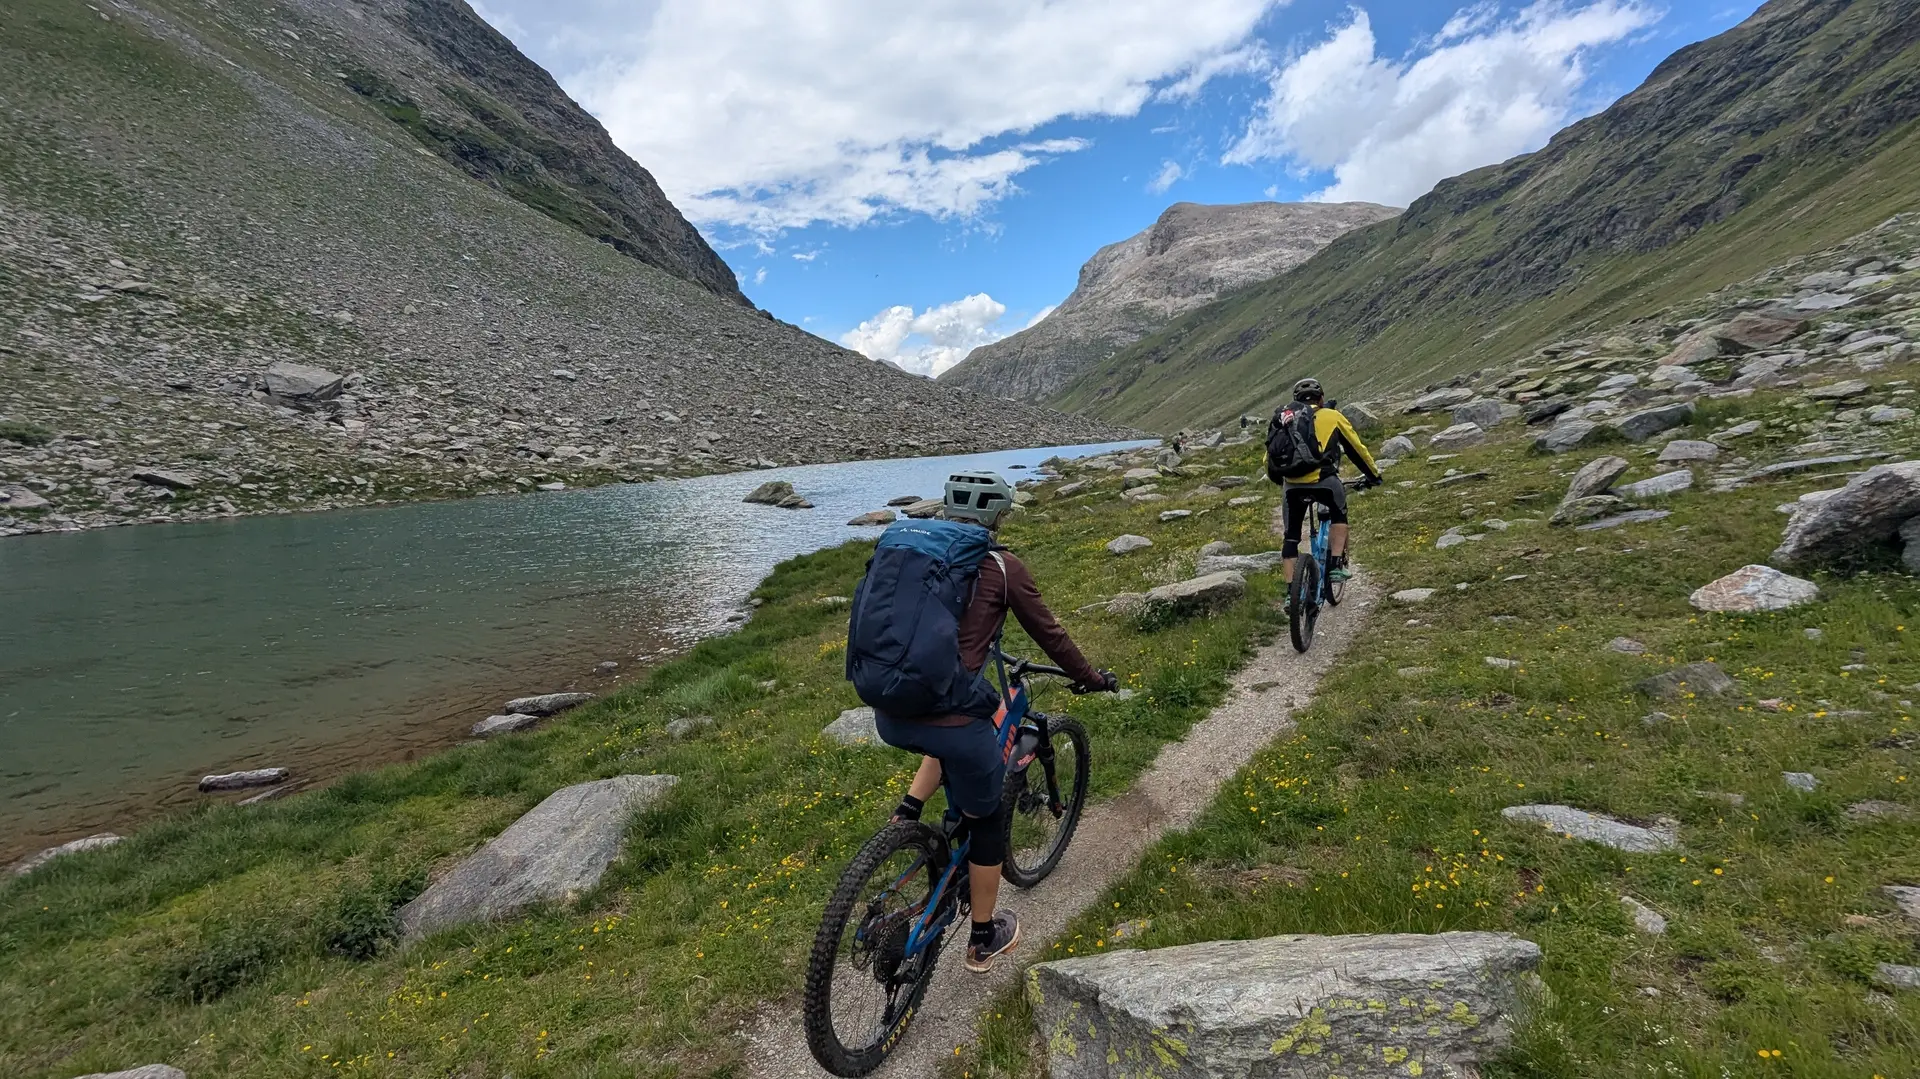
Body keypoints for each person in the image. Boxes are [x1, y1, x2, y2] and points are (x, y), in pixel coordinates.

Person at [874, 470, 1116, 973]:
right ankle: (983, 938)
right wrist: (1090, 677)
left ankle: (906, 814)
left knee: (951, 726)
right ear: (996, 516)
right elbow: (1050, 634)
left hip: (890, 708)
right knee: (984, 815)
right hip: (949, 712)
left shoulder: (910, 553)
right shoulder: (1002, 567)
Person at [1273, 378, 1382, 590]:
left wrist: (1284, 480)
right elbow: (1356, 449)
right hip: (1324, 482)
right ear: (1321, 399)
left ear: (1296, 401)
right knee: (1339, 515)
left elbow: (1270, 458)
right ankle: (1334, 567)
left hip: (1292, 487)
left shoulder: (1285, 419)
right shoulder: (1332, 416)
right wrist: (1373, 475)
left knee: (1291, 537)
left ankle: (1291, 593)